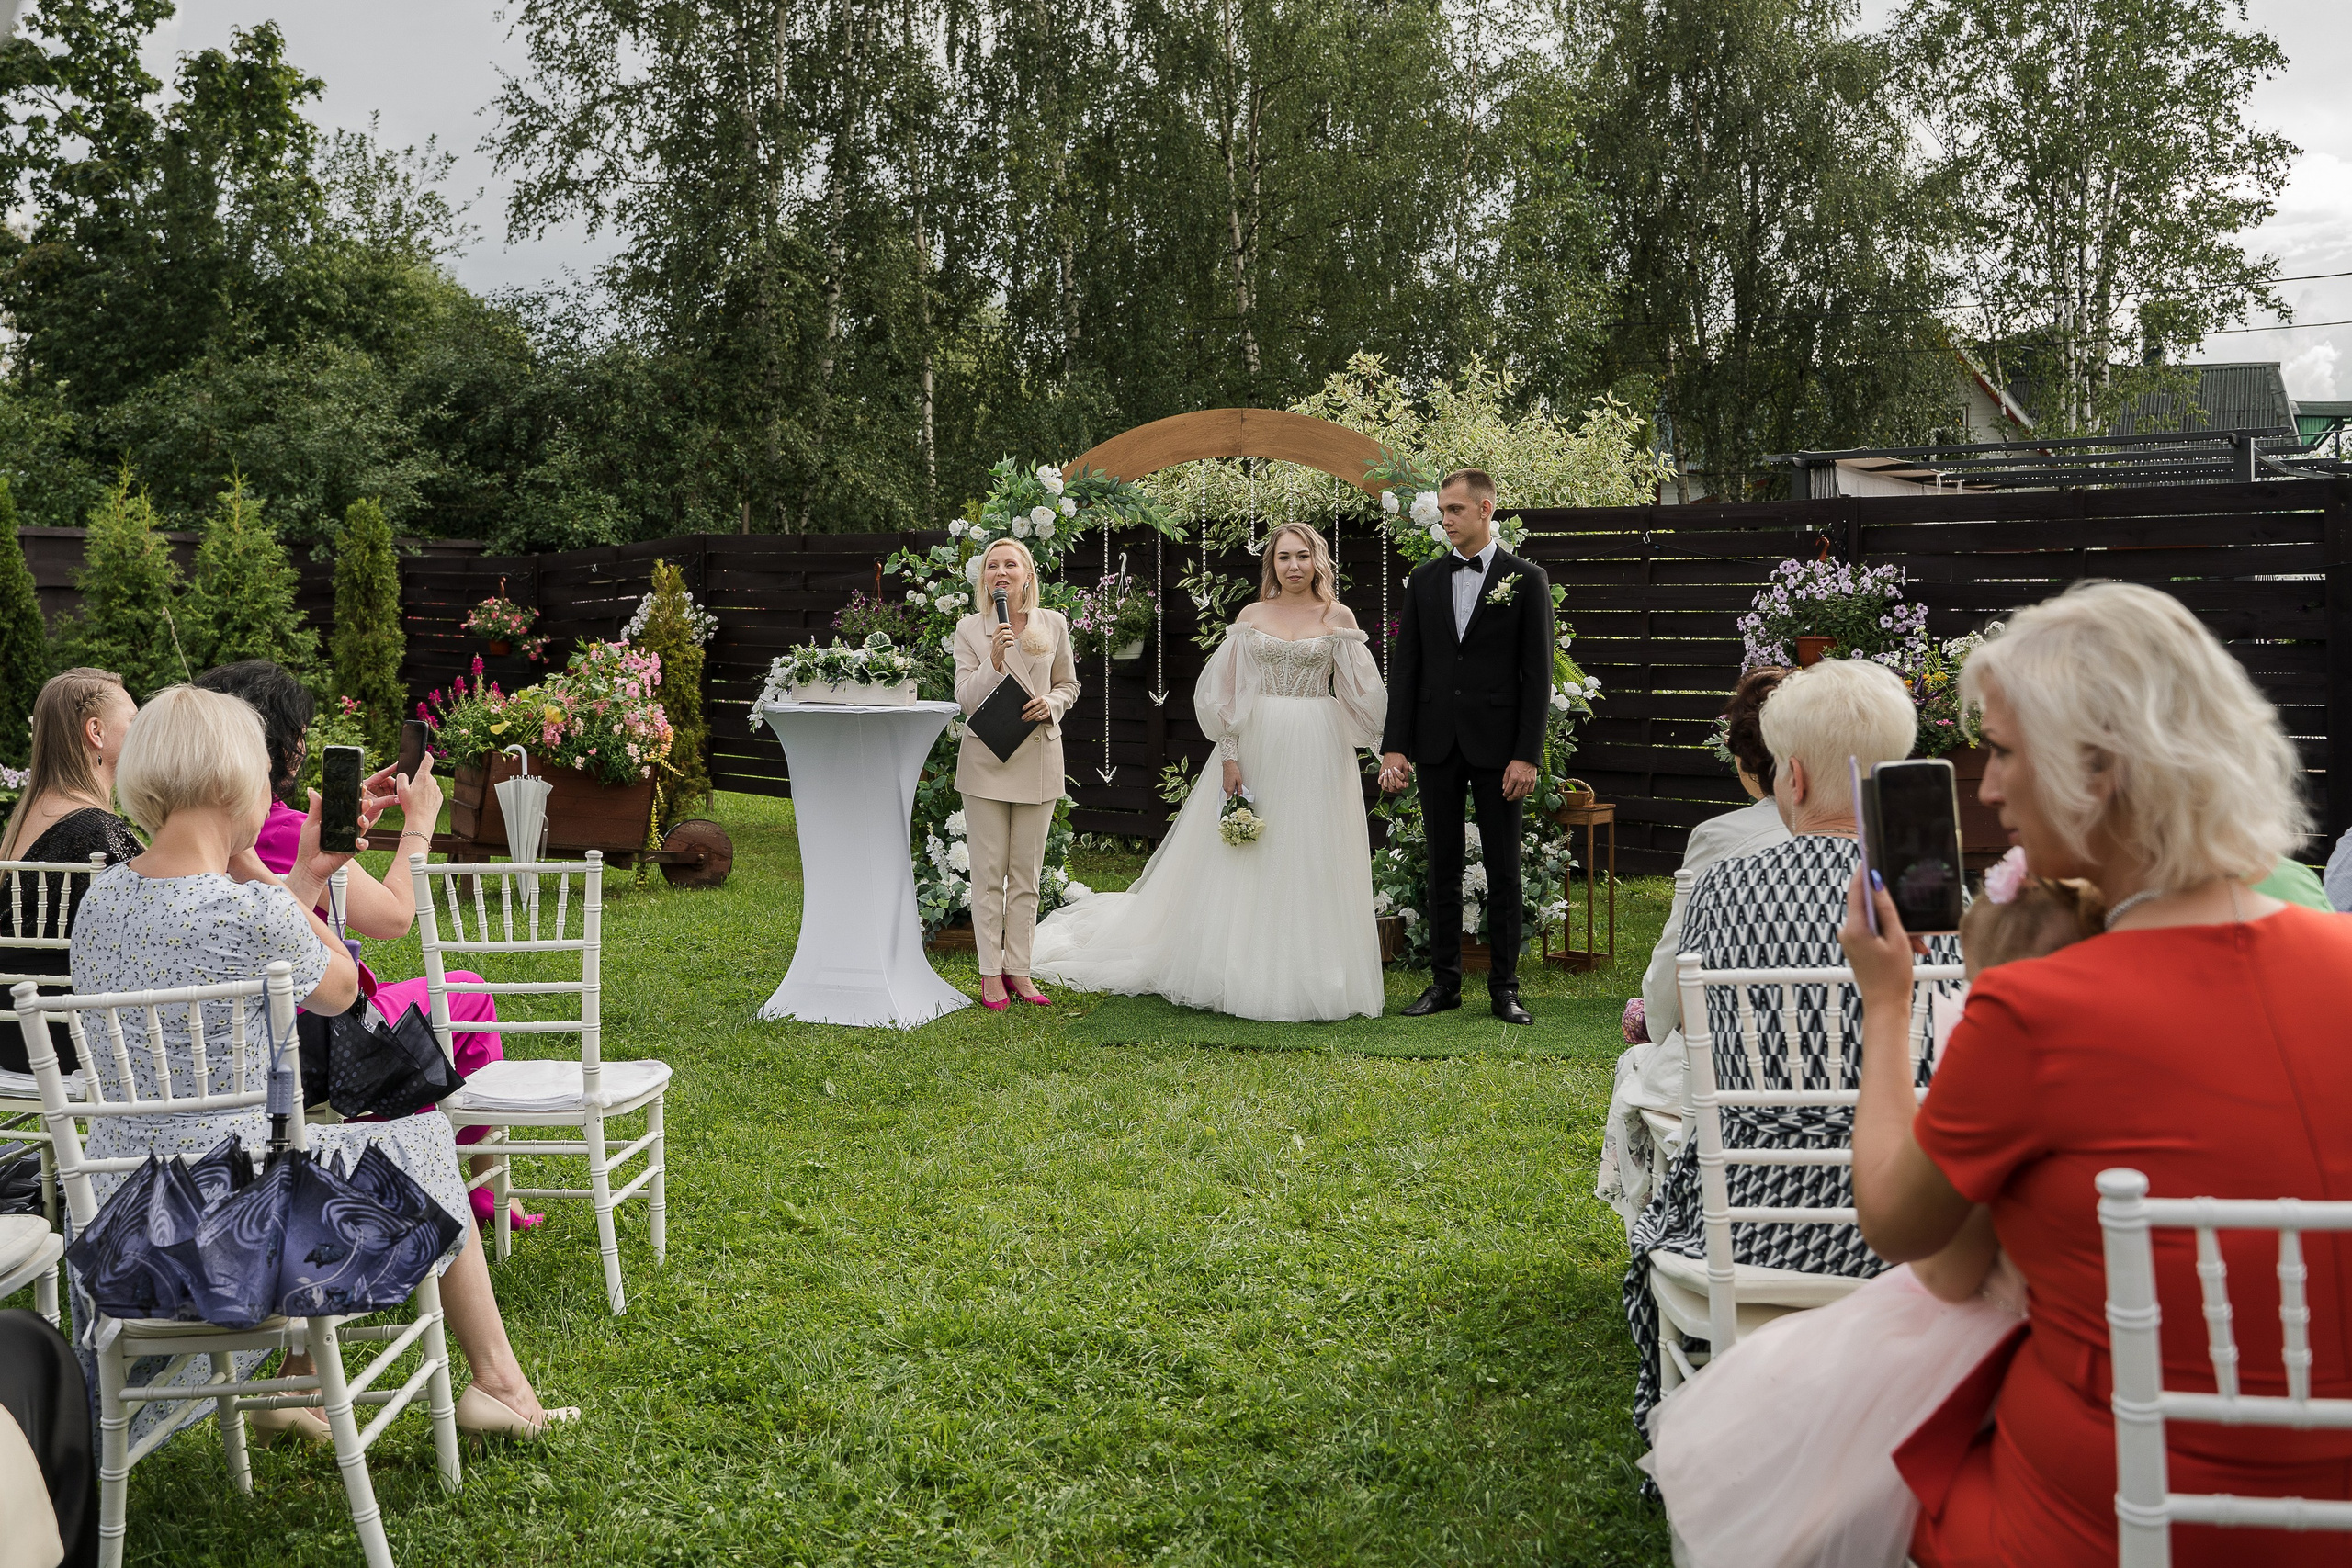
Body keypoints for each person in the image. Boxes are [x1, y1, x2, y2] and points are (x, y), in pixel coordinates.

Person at [1838, 581, 2352, 1567]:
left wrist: (1888, 1000)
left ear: (2098, 771)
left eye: (1998, 751)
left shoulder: (2039, 1011)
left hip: (2103, 1522)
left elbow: (1900, 1230)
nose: (1983, 789)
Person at [65, 685, 572, 1441]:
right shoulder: (252, 908)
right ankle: (498, 1383)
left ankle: (296, 1384)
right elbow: (346, 988)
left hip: (123, 1216)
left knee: (311, 1147)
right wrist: (278, 875)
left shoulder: (97, 904)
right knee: (424, 1133)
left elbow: (273, 965)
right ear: (236, 780)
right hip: (231, 1226)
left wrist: (296, 878)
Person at [1644, 853, 2100, 1568]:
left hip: (1971, 1335)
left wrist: (1888, 1002)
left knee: (1816, 1469)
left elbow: (1944, 1267)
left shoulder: (1726, 879)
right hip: (2059, 1344)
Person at [1621, 656, 1959, 1442]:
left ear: (1793, 778)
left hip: (1746, 1218)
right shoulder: (1942, 899)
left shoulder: (1721, 888)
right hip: (1903, 1218)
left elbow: (1669, 1014)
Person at [189, 661, 537, 1234]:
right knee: (468, 993)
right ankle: (475, 1180)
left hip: (262, 1035)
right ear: (280, 748)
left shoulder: (220, 843)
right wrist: (420, 823)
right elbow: (396, 917)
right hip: (318, 1030)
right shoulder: (274, 832)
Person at [1032, 524, 1387, 1021]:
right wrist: (1229, 755)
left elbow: (1361, 691)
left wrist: (1380, 747)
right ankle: (1242, 967)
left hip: (1318, 746)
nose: (1293, 566)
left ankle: (1317, 971)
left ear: (1318, 561)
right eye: (1283, 557)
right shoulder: (1251, 616)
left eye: (1302, 556)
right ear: (1272, 565)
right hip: (1258, 738)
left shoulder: (1338, 617)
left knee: (1311, 847)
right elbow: (1225, 691)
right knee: (1253, 851)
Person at [1599, 668, 1794, 1224]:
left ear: (1744, 761)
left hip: (1734, 1071)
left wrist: (1653, 1023)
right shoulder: (1876, 840)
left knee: (1640, 1064)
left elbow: (1676, 962)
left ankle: (1669, 1230)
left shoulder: (1718, 840)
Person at [1378, 468, 1555, 1024]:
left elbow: (1538, 674)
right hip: (1435, 743)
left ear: (1486, 509)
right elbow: (1406, 671)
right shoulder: (1424, 581)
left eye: (1455, 510)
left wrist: (1527, 754)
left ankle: (1504, 986)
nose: (1446, 519)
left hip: (1500, 748)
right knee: (1442, 864)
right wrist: (1395, 747)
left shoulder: (1526, 580)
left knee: (1503, 867)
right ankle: (1444, 983)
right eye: (1443, 510)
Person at [951, 540, 1080, 1010]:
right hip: (986, 758)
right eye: (992, 566)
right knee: (988, 874)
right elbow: (966, 699)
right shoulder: (970, 629)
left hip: (1038, 759)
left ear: (1028, 574)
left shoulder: (1054, 624)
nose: (1000, 572)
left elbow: (1069, 682)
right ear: (984, 579)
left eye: (1011, 564)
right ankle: (990, 974)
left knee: (1025, 875)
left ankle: (1019, 972)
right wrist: (996, 659)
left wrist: (1054, 702)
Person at [0, 671, 142, 1078]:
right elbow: (155, 919)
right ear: (95, 731)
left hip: (14, 1031)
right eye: (133, 720)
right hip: (72, 1039)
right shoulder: (95, 829)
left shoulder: (26, 818)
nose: (143, 731)